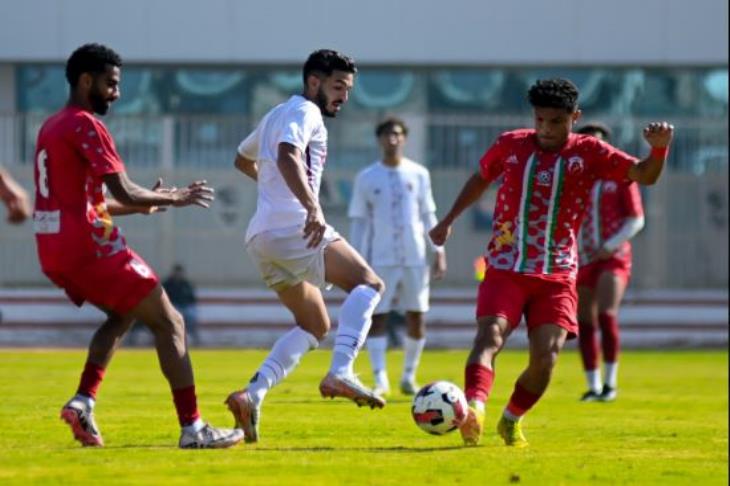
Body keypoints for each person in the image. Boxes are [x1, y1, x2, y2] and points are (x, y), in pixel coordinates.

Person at [429, 78, 673, 447]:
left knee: (547, 357)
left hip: (557, 273)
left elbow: (644, 175)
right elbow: (480, 178)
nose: (545, 129)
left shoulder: (591, 151)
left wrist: (658, 152)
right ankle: (474, 409)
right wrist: (448, 220)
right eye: (540, 120)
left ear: (575, 116)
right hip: (506, 266)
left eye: (556, 121)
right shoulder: (510, 145)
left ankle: (510, 419)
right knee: (489, 335)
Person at [33, 43, 243, 449]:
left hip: (54, 248)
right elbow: (123, 187)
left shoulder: (51, 126)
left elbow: (87, 201)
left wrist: (141, 206)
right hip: (90, 248)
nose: (116, 93)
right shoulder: (85, 124)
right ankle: (193, 428)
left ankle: (82, 402)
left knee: (122, 315)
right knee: (171, 322)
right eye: (111, 84)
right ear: (85, 80)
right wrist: (172, 198)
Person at [226, 49, 386, 444]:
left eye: (347, 89)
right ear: (313, 82)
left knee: (316, 324)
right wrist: (311, 207)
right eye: (337, 87)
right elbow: (287, 154)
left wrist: (274, 191)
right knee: (369, 285)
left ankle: (253, 393)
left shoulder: (275, 114)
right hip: (296, 228)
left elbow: (241, 159)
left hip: (261, 237)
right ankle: (342, 370)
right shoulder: (305, 113)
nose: (343, 97)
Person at [348, 117, 447, 397]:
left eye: (397, 134)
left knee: (417, 315)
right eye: (387, 134)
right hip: (380, 258)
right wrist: (356, 260)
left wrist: (438, 251)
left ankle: (409, 376)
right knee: (378, 317)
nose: (392, 139)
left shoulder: (419, 174)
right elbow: (360, 221)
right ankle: (381, 379)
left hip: (415, 255)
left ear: (404, 138)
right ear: (379, 140)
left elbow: (429, 215)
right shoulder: (367, 177)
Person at [575, 123, 645, 402]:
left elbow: (636, 218)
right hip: (584, 258)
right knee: (584, 321)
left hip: (613, 257)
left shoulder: (622, 177)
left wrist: (610, 245)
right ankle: (593, 386)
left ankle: (611, 384)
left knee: (607, 314)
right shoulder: (577, 178)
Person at [163, 263, 200, 346]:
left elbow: (192, 298)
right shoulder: (167, 284)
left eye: (180, 272)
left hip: (186, 307)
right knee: (176, 315)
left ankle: (195, 339)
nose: (178, 274)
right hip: (173, 307)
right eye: (177, 272)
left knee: (191, 315)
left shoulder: (186, 284)